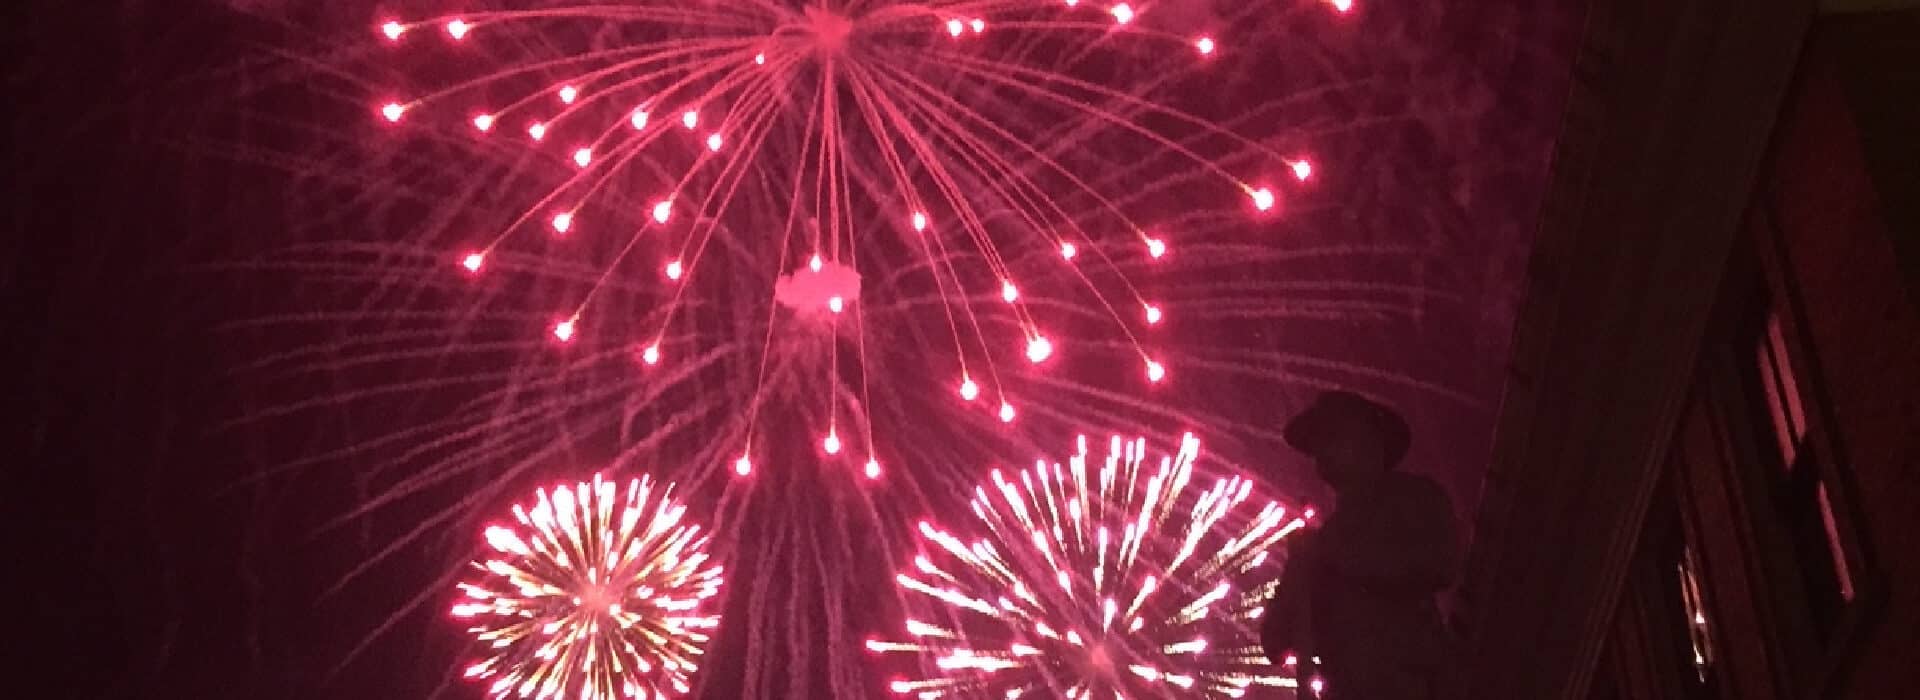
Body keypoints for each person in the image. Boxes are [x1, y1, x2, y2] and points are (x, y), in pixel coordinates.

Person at [1261, 391, 1458, 699]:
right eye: (1320, 443)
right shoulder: (1321, 543)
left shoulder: (1414, 498)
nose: (1324, 452)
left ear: (1371, 442)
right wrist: (1296, 572)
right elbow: (1274, 639)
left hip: (1413, 685)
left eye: (1335, 437)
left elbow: (1439, 564)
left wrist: (1336, 557)